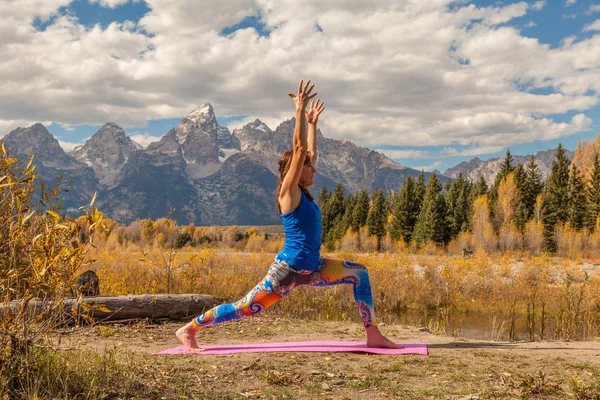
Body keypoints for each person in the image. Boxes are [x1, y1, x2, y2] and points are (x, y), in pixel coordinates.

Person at [176, 80, 401, 351]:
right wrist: (299, 112)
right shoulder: (289, 193)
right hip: (288, 272)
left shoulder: (303, 191)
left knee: (359, 274)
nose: (314, 170)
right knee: (245, 308)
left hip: (314, 267)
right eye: (308, 167)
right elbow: (300, 151)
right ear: (295, 169)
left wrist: (314, 124)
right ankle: (189, 329)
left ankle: (373, 334)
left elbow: (310, 154)